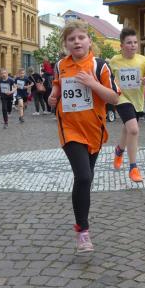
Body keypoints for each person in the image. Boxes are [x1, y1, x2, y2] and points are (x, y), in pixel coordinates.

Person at [48, 19, 119, 253]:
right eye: (71, 39)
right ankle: (83, 231)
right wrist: (52, 96)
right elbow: (57, 86)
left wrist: (92, 83)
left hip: (94, 130)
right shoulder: (61, 65)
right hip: (69, 128)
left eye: (81, 37)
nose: (76, 42)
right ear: (66, 43)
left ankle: (82, 224)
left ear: (89, 41)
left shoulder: (100, 66)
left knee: (86, 179)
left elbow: (114, 97)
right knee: (84, 176)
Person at [110, 28, 145, 183]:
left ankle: (119, 150)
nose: (133, 45)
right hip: (121, 98)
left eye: (135, 42)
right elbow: (107, 78)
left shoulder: (142, 60)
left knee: (127, 128)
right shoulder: (114, 61)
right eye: (129, 43)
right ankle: (133, 168)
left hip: (137, 100)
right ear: (122, 45)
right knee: (134, 129)